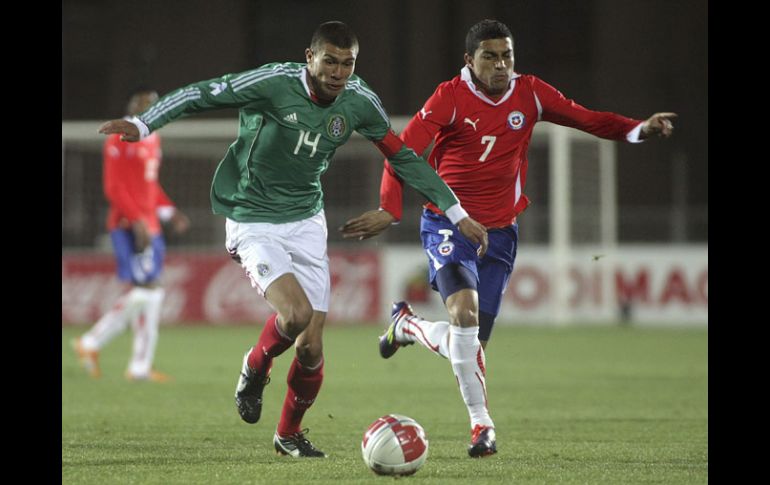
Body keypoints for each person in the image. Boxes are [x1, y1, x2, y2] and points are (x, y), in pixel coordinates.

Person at [97, 21, 488, 458]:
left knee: (311, 348)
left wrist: (457, 213)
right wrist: (144, 123)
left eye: (348, 63)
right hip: (252, 217)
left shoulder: (359, 101)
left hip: (305, 221)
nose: (338, 72)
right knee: (297, 313)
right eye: (330, 61)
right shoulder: (273, 84)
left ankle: (288, 436)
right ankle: (255, 365)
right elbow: (203, 93)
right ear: (310, 57)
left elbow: (403, 158)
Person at [341, 19, 676, 458]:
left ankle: (407, 326)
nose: (501, 65)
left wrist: (638, 128)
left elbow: (586, 118)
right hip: (447, 224)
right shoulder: (449, 98)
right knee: (464, 315)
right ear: (469, 61)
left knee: (472, 345)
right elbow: (401, 153)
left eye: (507, 56)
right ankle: (482, 426)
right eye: (490, 57)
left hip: (499, 233)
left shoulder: (531, 93)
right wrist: (390, 206)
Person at [72, 88, 190, 382]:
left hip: (149, 224)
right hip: (128, 225)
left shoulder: (154, 137)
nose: (154, 109)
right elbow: (114, 187)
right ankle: (95, 344)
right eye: (148, 104)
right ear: (135, 106)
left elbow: (149, 184)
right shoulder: (119, 137)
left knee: (152, 293)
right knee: (150, 290)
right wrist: (136, 219)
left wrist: (168, 211)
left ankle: (134, 363)